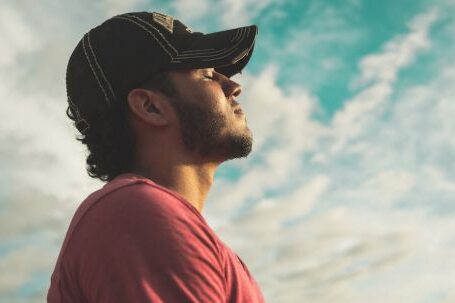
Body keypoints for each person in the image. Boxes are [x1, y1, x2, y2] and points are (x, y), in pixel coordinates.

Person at [47, 10, 265, 303]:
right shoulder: (135, 214)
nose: (233, 86)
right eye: (206, 74)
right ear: (150, 107)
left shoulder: (146, 218)